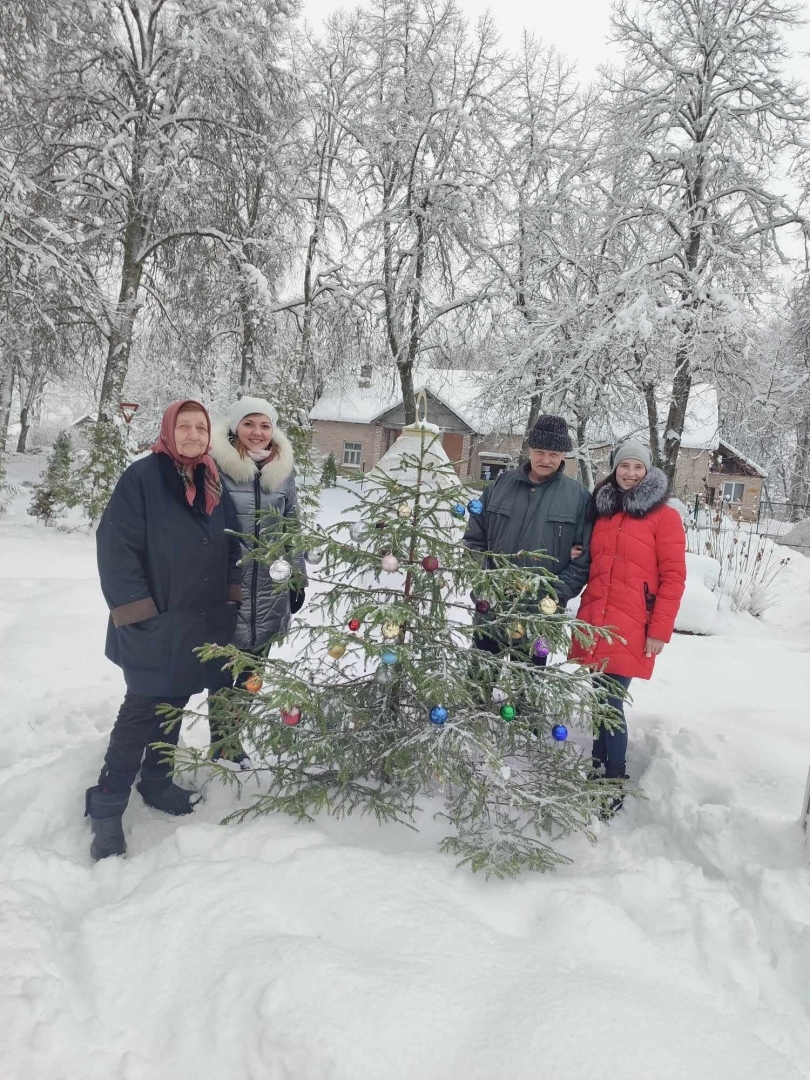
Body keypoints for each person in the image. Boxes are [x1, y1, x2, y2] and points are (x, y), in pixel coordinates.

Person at [86, 400, 242, 860]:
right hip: (154, 621)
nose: (193, 435)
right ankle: (107, 808)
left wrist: (231, 599)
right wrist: (141, 616)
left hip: (200, 622)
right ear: (169, 430)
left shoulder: (212, 479)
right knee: (141, 710)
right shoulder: (141, 479)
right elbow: (116, 549)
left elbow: (232, 546)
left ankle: (156, 781)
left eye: (200, 427)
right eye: (185, 426)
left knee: (175, 701)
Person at [570, 438, 686, 788]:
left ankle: (612, 778)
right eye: (624, 466)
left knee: (610, 702)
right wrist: (577, 552)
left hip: (632, 624)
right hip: (596, 619)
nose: (630, 473)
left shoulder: (665, 517)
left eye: (638, 467)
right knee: (599, 701)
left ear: (648, 472)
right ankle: (598, 767)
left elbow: (674, 576)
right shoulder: (603, 512)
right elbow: (595, 562)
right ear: (615, 469)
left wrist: (659, 630)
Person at [208, 396, 306, 762]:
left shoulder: (283, 470)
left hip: (269, 588)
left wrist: (298, 577)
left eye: (265, 425)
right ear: (235, 427)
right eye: (249, 424)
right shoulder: (216, 468)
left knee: (253, 672)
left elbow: (293, 525)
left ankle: (232, 740)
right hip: (227, 586)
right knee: (223, 672)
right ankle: (223, 745)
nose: (257, 432)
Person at [463, 414, 592, 657]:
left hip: (540, 615)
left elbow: (583, 561)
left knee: (527, 687)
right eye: (540, 451)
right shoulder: (501, 486)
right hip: (492, 607)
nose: (546, 459)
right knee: (479, 680)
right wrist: (485, 584)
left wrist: (552, 594)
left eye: (554, 454)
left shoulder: (578, 498)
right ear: (530, 449)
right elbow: (473, 540)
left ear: (564, 455)